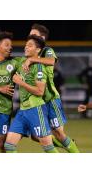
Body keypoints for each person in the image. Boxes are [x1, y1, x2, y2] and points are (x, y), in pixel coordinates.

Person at [22, 24, 79, 153]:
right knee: (35, 136)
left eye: (34, 35)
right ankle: (66, 145)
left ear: (42, 37)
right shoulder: (29, 53)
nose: (31, 37)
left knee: (58, 132)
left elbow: (52, 61)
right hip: (36, 101)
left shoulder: (47, 50)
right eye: (30, 35)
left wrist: (32, 59)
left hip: (50, 99)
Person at [4, 35, 58, 153]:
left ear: (38, 50)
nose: (26, 47)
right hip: (23, 111)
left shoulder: (39, 67)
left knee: (48, 147)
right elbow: (5, 58)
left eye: (30, 45)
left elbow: (40, 92)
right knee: (9, 145)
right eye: (26, 45)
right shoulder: (21, 62)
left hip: (36, 109)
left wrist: (21, 83)